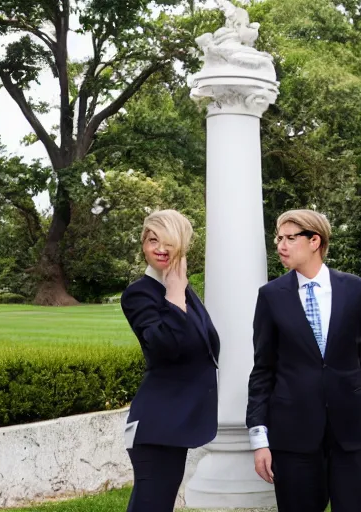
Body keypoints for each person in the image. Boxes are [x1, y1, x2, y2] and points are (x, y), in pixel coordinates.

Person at [246, 209, 361, 512]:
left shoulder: (358, 291)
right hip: (292, 436)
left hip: (351, 432)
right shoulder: (271, 296)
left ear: (315, 240)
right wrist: (259, 438)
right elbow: (263, 369)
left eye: (291, 238)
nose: (281, 245)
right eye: (279, 238)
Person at [119, 209, 220, 512]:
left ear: (183, 245)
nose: (160, 249)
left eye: (168, 242)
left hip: (176, 421)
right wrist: (175, 295)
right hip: (157, 423)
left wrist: (179, 291)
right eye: (152, 241)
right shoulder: (140, 294)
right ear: (143, 245)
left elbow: (206, 347)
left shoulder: (185, 290)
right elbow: (163, 346)